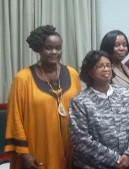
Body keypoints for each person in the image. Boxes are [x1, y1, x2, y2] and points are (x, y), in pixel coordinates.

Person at [4, 25, 81, 169]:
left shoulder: (72, 74)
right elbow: (15, 117)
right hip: (37, 148)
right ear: (39, 49)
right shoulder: (22, 78)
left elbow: (80, 111)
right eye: (49, 48)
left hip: (69, 148)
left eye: (58, 48)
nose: (54, 52)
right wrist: (24, 153)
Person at [69, 50, 129, 169]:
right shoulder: (80, 101)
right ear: (89, 72)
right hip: (94, 165)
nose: (106, 69)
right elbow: (80, 139)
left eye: (108, 65)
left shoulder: (125, 93)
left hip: (128, 163)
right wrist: (116, 159)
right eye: (100, 66)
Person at [100, 30, 129, 97]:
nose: (122, 48)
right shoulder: (104, 69)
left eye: (124, 45)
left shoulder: (124, 67)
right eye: (117, 45)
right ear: (107, 47)